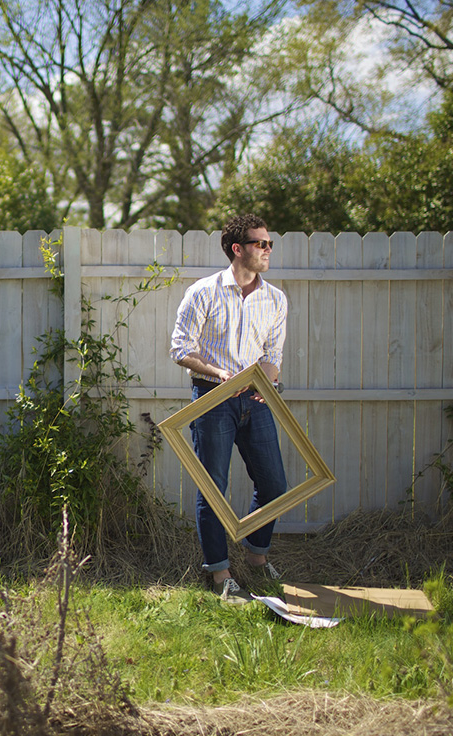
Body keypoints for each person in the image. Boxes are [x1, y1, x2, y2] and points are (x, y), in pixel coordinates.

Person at [169, 213, 288, 602]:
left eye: (269, 244)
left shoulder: (275, 299)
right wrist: (218, 372)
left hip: (256, 402)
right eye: (261, 244)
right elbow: (181, 349)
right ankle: (220, 574)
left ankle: (256, 558)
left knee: (274, 484)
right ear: (238, 249)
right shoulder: (203, 292)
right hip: (212, 401)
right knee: (213, 490)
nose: (268, 250)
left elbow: (272, 355)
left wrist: (266, 378)